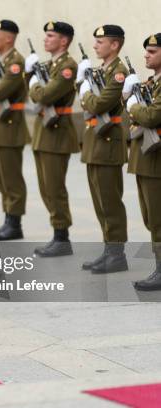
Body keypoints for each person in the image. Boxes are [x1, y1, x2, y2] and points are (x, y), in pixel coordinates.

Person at [77, 25, 129, 273]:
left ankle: (117, 254)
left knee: (110, 201)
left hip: (108, 143)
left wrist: (83, 90)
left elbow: (98, 104)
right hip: (95, 142)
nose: (96, 45)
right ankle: (109, 249)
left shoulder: (118, 72)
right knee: (99, 201)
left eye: (101, 41)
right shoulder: (101, 70)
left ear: (115, 45)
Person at [27, 21, 79, 257]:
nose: (46, 39)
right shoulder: (50, 65)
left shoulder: (68, 66)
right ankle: (57, 234)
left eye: (51, 36)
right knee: (45, 187)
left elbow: (46, 95)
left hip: (57, 133)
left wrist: (34, 82)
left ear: (64, 40)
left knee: (55, 187)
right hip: (43, 132)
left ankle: (62, 237)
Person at [0, 20, 30, 240]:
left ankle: (15, 223)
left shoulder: (15, 61)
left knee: (12, 178)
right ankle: (8, 219)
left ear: (9, 38)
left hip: (10, 127)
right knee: (2, 178)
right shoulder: (1, 59)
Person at [123, 33, 161, 290]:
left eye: (152, 51)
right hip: (145, 159)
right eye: (146, 51)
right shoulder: (151, 82)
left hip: (157, 161)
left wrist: (133, 105)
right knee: (150, 217)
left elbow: (151, 116)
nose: (146, 55)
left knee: (158, 219)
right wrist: (128, 96)